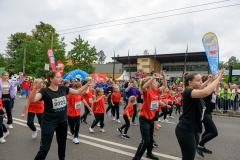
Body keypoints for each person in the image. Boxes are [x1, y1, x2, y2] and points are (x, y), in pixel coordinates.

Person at [29, 70, 94, 160]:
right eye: (58, 77)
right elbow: (32, 100)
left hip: (62, 121)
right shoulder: (45, 91)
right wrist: (35, 89)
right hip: (49, 122)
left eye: (61, 77)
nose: (61, 78)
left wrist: (87, 85)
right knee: (45, 147)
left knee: (62, 144)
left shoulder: (64, 88)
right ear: (51, 79)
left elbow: (78, 92)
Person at [175, 69, 224, 160]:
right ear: (190, 82)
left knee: (191, 157)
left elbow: (202, 87)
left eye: (201, 80)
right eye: (198, 81)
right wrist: (218, 79)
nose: (201, 82)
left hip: (195, 128)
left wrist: (209, 80)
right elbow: (205, 92)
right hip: (185, 129)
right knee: (188, 158)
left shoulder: (194, 90)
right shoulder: (188, 92)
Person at [132, 71, 166, 160]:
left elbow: (164, 86)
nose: (157, 84)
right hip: (144, 119)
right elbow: (143, 87)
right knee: (145, 141)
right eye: (155, 83)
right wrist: (152, 78)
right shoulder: (146, 92)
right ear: (150, 84)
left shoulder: (155, 91)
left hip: (151, 118)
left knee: (151, 138)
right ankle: (136, 158)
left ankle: (149, 153)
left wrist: (164, 77)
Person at [197, 75, 220, 157]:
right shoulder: (205, 90)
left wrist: (217, 84)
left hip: (209, 112)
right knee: (214, 132)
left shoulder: (210, 89)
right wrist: (216, 80)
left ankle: (202, 146)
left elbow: (216, 93)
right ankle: (199, 145)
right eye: (211, 80)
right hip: (204, 113)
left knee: (207, 131)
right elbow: (210, 85)